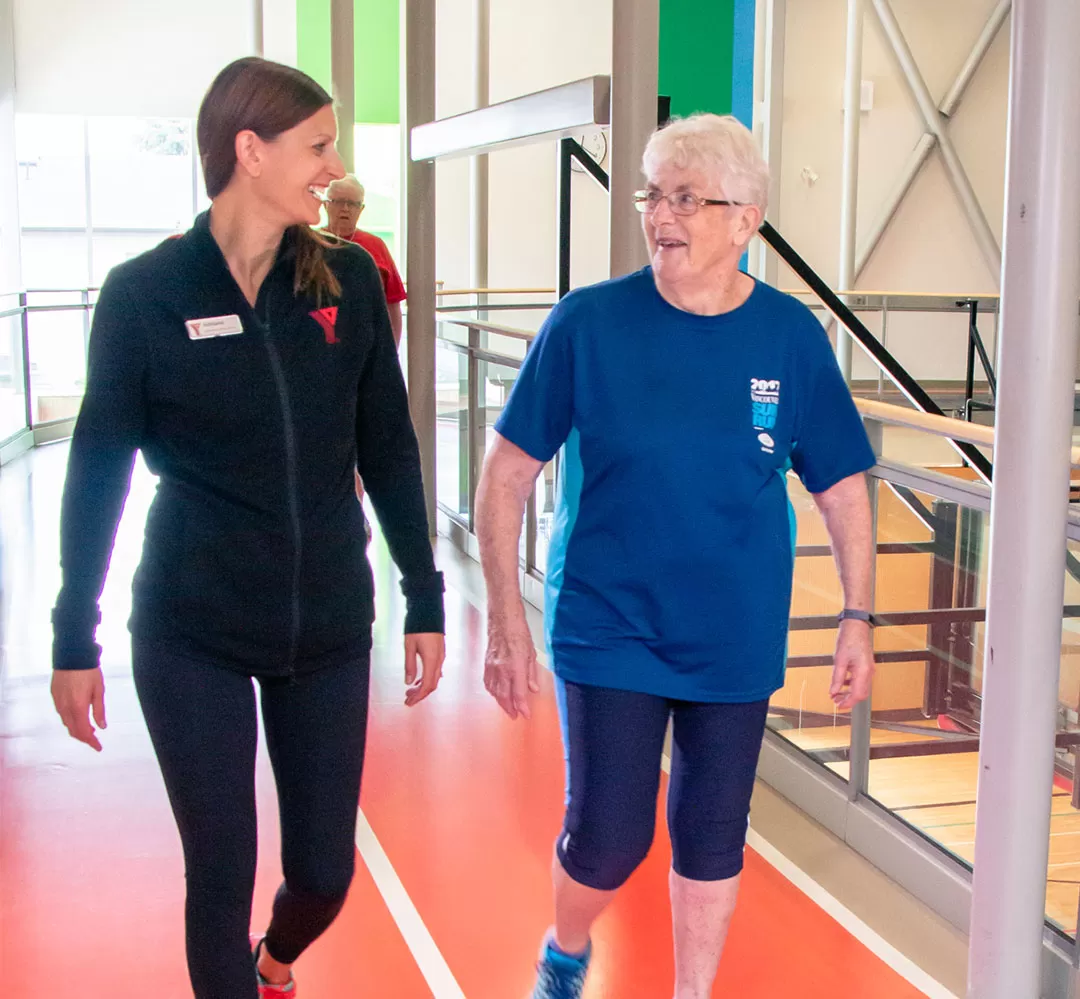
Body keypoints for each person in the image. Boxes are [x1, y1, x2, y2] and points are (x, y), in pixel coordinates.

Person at [49, 57, 446, 999]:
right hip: (195, 631)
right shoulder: (144, 293)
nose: (332, 166)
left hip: (328, 629)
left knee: (324, 873)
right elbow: (98, 469)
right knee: (220, 872)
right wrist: (75, 633)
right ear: (249, 150)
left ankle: (276, 963)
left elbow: (387, 446)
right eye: (317, 145)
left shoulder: (345, 282)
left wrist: (423, 592)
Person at [474, 113, 876, 999]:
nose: (662, 214)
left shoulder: (790, 338)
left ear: (747, 220)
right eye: (654, 194)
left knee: (712, 829)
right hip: (609, 622)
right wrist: (506, 616)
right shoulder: (587, 324)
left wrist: (858, 614)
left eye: (688, 198)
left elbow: (842, 485)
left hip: (733, 632)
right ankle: (567, 945)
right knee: (611, 834)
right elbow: (504, 474)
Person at [323, 175, 406, 347]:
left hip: (366, 339)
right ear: (325, 205)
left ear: (361, 209)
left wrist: (392, 350)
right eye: (338, 201)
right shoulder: (310, 243)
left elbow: (393, 304)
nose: (345, 209)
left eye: (353, 204)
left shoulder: (376, 245)